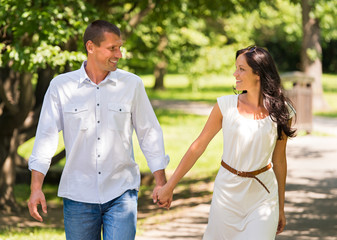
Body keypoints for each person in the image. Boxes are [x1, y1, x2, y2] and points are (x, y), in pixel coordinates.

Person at [27, 20, 170, 240]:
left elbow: (149, 132)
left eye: (120, 47)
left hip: (121, 192)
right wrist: (36, 188)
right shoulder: (61, 86)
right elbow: (46, 137)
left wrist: (161, 182)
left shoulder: (132, 85)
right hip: (77, 194)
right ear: (90, 47)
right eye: (112, 48)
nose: (119, 54)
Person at [156, 46, 296, 239]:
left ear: (259, 73)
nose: (235, 73)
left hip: (263, 196)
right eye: (236, 68)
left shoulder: (282, 111)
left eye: (241, 69)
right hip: (227, 195)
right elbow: (198, 147)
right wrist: (169, 186)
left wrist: (280, 207)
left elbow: (279, 159)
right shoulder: (225, 106)